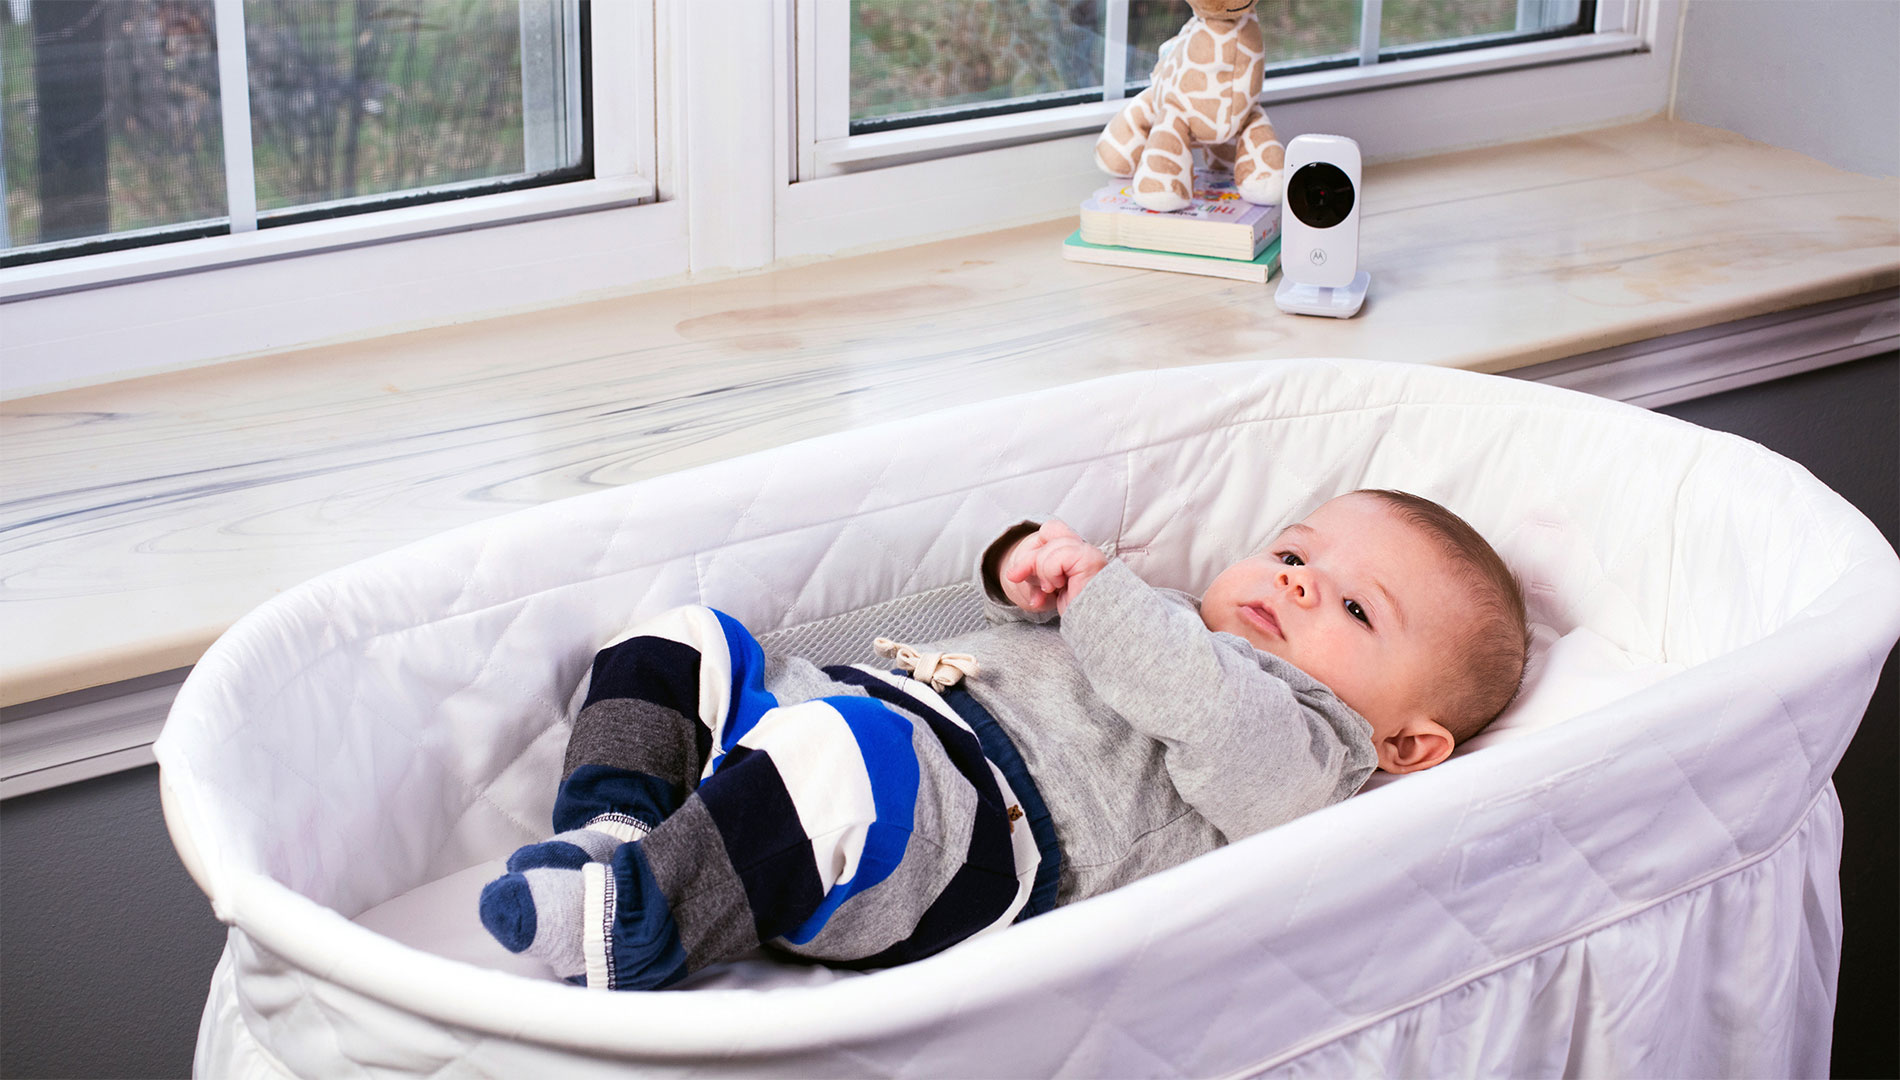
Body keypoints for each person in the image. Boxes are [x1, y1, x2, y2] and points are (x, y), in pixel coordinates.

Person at [478, 489, 1529, 990]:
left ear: (1408, 745)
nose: (1299, 584)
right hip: (858, 711)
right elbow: (1013, 628)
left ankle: (639, 919)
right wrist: (1022, 575)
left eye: (1356, 610)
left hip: (963, 833)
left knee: (837, 762)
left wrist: (1104, 596)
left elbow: (1205, 711)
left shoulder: (1314, 753)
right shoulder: (1165, 610)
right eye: (1294, 555)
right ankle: (616, 828)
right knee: (681, 640)